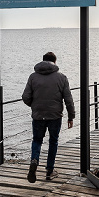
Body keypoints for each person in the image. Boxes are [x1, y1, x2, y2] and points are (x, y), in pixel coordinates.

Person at [22, 52, 75, 183]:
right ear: (54, 62)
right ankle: (49, 170)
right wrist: (71, 116)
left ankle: (34, 160)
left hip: (38, 115)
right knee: (53, 141)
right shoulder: (61, 77)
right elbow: (68, 99)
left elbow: (25, 97)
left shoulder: (33, 77)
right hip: (55, 116)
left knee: (37, 140)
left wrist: (34, 105)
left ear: (43, 61)